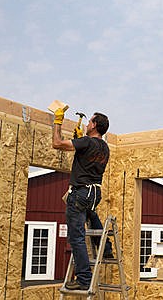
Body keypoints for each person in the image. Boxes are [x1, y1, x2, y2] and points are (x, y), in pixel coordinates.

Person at [52, 108, 113, 290]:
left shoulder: (86, 142)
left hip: (80, 192)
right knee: (91, 214)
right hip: (95, 193)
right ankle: (107, 249)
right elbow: (87, 155)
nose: (86, 124)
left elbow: (57, 143)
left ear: (94, 125)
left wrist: (58, 121)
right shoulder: (105, 147)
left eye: (89, 122)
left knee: (76, 237)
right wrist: (80, 141)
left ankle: (84, 279)